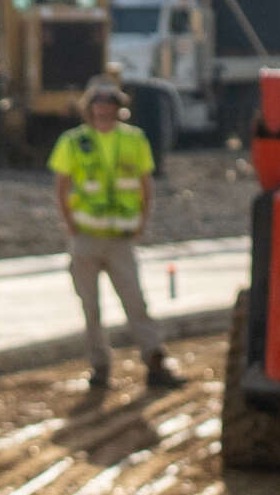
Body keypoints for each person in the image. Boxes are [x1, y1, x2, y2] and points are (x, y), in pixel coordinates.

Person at [47, 79, 181, 403]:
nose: (104, 110)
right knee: (90, 309)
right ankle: (100, 367)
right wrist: (70, 225)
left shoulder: (133, 140)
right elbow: (62, 187)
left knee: (136, 303)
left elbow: (145, 185)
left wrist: (142, 223)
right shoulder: (74, 142)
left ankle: (155, 361)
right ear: (90, 108)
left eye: (109, 104)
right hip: (86, 239)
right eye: (99, 104)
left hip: (121, 240)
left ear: (118, 109)